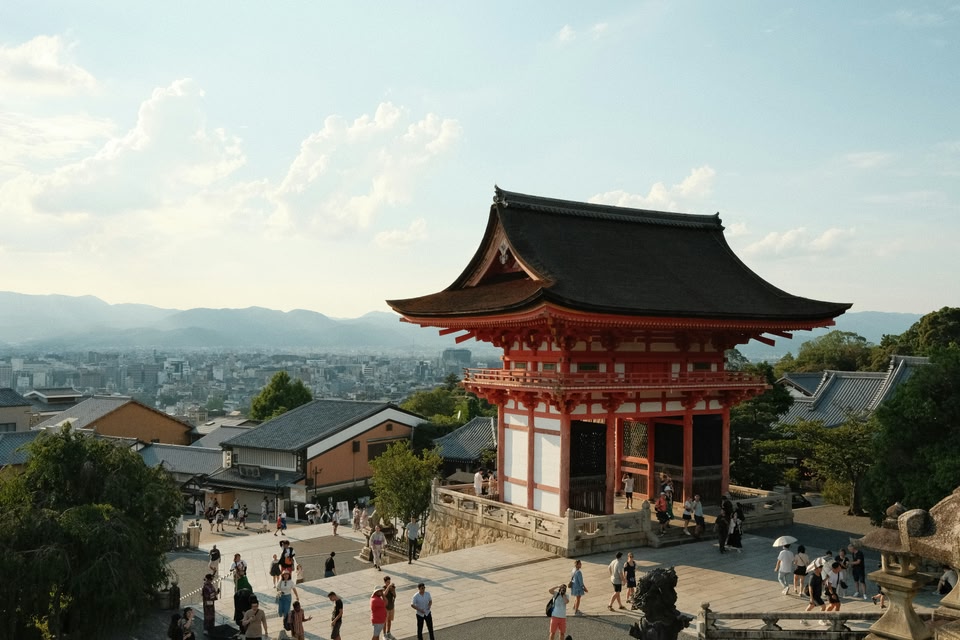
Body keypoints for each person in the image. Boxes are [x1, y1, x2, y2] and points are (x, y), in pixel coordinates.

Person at [383, 575, 398, 640]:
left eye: (389, 582)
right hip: (386, 607)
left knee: (389, 620)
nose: (389, 583)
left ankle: (388, 632)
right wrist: (388, 587)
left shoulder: (392, 588)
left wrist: (393, 590)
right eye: (387, 582)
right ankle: (384, 634)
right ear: (385, 582)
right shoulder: (383, 588)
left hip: (391, 606)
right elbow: (384, 594)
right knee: (384, 621)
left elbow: (395, 596)